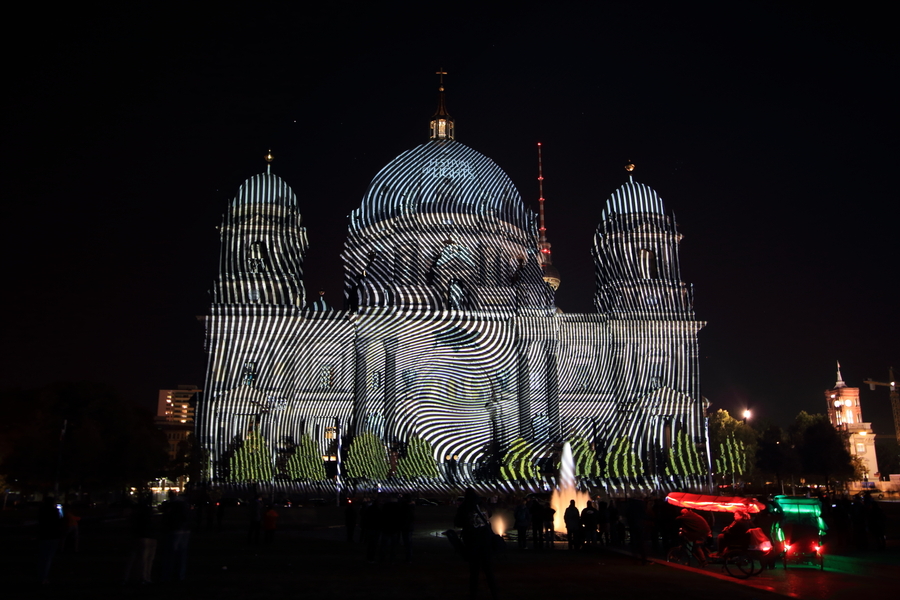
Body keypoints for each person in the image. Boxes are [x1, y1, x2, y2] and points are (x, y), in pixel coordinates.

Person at [454, 487, 499, 600]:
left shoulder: (465, 507)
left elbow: (458, 522)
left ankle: (473, 593)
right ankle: (494, 593)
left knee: (474, 570)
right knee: (488, 569)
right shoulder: (483, 505)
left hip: (472, 541)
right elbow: (491, 514)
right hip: (486, 541)